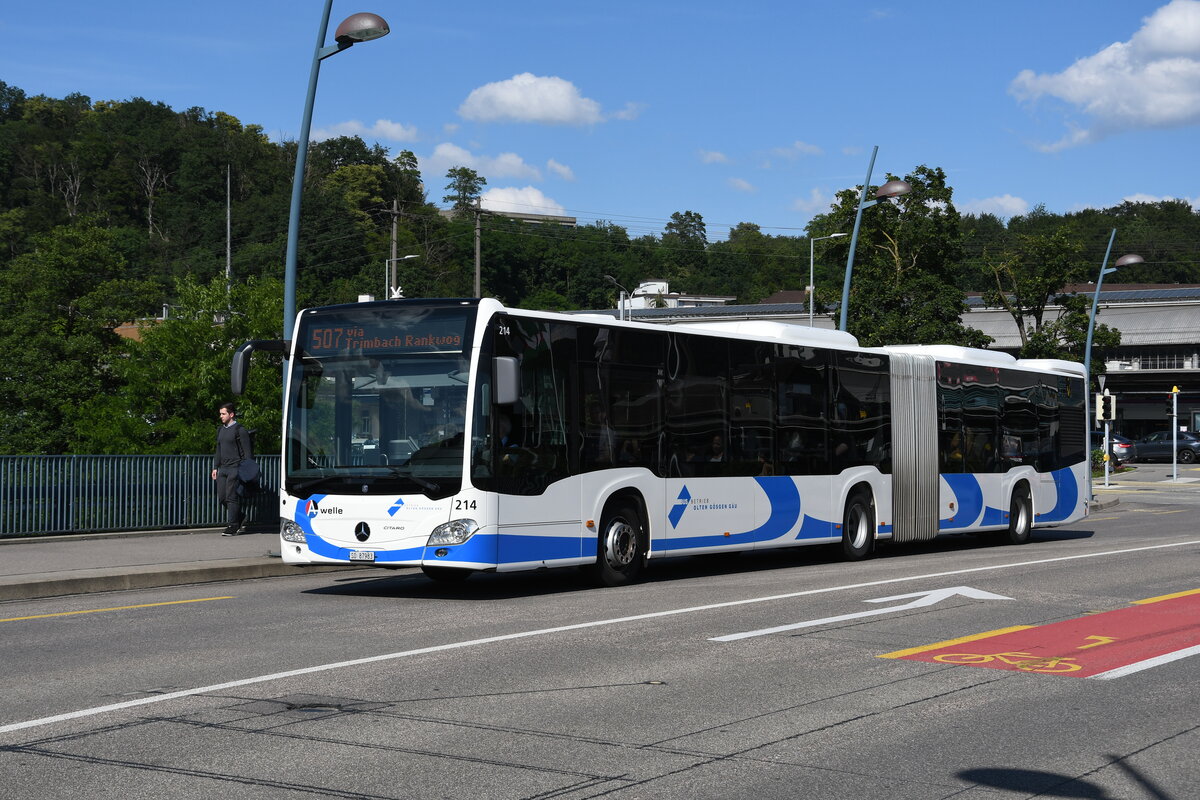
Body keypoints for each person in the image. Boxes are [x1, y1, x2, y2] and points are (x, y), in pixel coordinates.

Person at [211, 401, 253, 536]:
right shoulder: (221, 430)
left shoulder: (240, 430)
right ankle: (239, 516)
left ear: (231, 414)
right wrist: (215, 467)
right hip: (222, 468)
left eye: (223, 414)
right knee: (223, 498)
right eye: (220, 414)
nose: (221, 416)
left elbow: (248, 453)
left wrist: (246, 470)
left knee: (231, 497)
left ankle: (233, 526)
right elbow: (218, 449)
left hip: (236, 467)